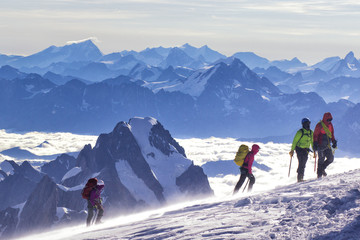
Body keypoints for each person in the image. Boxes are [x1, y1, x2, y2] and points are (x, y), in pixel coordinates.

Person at [289, 118, 316, 182]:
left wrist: (314, 151)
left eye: (308, 123)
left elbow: (312, 142)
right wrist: (292, 150)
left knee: (303, 163)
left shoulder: (311, 132)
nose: (308, 125)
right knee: (301, 163)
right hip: (299, 149)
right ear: (303, 124)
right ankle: (299, 178)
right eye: (307, 123)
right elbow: (295, 141)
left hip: (306, 150)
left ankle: (300, 177)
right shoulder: (300, 132)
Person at [313, 112, 337, 178]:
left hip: (327, 145)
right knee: (321, 159)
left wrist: (334, 141)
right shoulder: (319, 125)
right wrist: (315, 143)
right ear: (325, 119)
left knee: (330, 158)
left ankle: (322, 169)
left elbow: (331, 134)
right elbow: (315, 135)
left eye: (330, 120)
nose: (329, 121)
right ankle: (319, 174)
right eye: (328, 120)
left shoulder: (330, 125)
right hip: (320, 145)